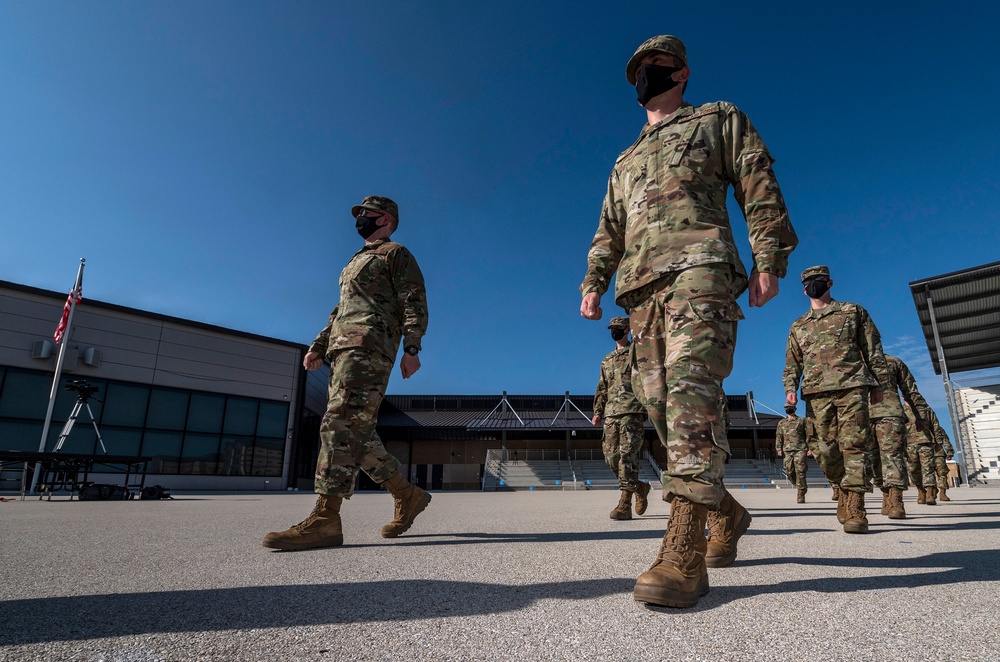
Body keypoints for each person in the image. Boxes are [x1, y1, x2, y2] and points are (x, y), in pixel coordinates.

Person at [579, 35, 798, 609]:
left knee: (692, 396)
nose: (645, 77)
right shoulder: (624, 161)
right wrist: (593, 283)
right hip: (641, 288)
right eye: (637, 72)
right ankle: (725, 510)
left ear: (681, 72)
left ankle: (683, 549)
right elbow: (609, 229)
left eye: (655, 67)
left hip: (701, 269)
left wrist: (767, 258)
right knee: (658, 408)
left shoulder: (717, 119)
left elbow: (757, 182)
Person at [263, 195, 430, 551]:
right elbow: (341, 310)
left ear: (384, 218)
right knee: (358, 434)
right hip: (342, 349)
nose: (361, 220)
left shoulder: (395, 253)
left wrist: (412, 347)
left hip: (369, 346)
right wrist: (319, 346)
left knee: (338, 425)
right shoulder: (355, 262)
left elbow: (413, 301)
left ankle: (325, 519)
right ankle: (407, 494)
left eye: (367, 214)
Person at [783, 265, 890, 535]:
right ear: (803, 288)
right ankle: (841, 487)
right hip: (816, 392)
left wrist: (882, 385)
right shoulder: (799, 325)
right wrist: (790, 388)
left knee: (854, 444)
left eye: (818, 281)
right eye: (808, 282)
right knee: (826, 449)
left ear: (829, 283)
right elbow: (793, 361)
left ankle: (856, 506)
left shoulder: (853, 312)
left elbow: (872, 349)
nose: (813, 285)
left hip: (852, 386)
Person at [591, 316, 651, 520]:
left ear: (627, 330)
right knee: (611, 458)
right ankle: (639, 487)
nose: (614, 331)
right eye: (612, 328)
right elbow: (601, 388)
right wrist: (598, 412)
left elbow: (649, 380)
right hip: (611, 413)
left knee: (627, 456)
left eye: (617, 328)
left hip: (632, 411)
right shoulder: (606, 360)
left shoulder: (638, 352)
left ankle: (624, 504)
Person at [867, 354, 935, 519]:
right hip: (862, 417)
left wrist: (920, 416)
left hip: (890, 413)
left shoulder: (893, 362)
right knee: (873, 459)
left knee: (893, 456)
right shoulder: (853, 361)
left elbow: (910, 390)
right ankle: (886, 495)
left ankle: (896, 501)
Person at [904, 401, 938, 505]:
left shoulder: (926, 409)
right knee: (913, 470)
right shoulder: (900, 411)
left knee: (927, 468)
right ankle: (920, 490)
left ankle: (930, 493)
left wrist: (939, 442)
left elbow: (935, 425)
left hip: (925, 442)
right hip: (909, 444)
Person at [775, 405, 810, 503]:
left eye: (790, 407)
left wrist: (810, 448)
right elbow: (779, 436)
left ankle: (801, 493)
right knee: (789, 471)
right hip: (787, 450)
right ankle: (800, 485)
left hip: (800, 449)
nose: (788, 409)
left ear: (795, 409)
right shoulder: (781, 423)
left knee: (800, 471)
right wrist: (778, 448)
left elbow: (808, 435)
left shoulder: (801, 421)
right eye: (786, 408)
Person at [928, 409, 956, 502]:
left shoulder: (939, 429)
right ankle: (931, 492)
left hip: (939, 454)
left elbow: (945, 440)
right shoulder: (921, 428)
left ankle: (942, 493)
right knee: (928, 474)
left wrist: (950, 452)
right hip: (926, 455)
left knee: (942, 474)